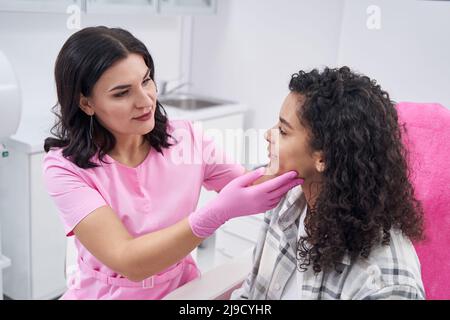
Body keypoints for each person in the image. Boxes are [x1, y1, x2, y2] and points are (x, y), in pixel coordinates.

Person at [42, 26, 303, 300]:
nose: (145, 101)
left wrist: (302, 153)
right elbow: (129, 261)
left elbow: (253, 184)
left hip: (182, 290)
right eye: (122, 93)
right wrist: (214, 214)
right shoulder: (65, 168)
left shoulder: (185, 138)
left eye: (146, 80)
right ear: (86, 103)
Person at [231, 66, 426, 300]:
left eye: (283, 131)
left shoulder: (384, 284)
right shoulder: (288, 200)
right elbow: (250, 295)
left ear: (322, 157)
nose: (268, 135)